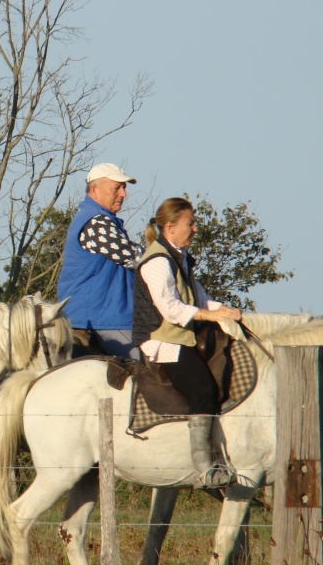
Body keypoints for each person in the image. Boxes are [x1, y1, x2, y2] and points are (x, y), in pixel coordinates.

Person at [132, 197, 242, 488]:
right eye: (190, 223)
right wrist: (209, 314)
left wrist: (228, 312)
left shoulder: (178, 258)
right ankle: (204, 469)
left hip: (179, 337)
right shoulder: (157, 262)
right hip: (162, 342)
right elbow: (171, 309)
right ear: (170, 227)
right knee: (203, 388)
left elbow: (200, 298)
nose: (195, 228)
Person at [57, 163, 143, 360]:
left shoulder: (98, 219)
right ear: (94, 190)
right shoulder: (96, 222)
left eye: (124, 188)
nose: (123, 194)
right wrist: (166, 257)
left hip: (99, 315)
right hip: (101, 319)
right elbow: (134, 257)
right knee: (150, 365)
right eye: (116, 188)